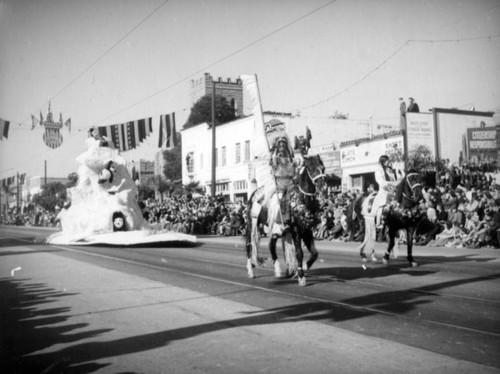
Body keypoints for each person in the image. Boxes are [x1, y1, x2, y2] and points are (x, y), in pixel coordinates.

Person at [371, 155, 402, 228]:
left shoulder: (389, 170)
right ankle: (378, 223)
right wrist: (390, 183)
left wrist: (396, 183)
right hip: (383, 190)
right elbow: (380, 181)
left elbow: (394, 179)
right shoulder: (378, 170)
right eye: (387, 161)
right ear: (383, 161)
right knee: (381, 205)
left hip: (392, 190)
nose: (388, 163)